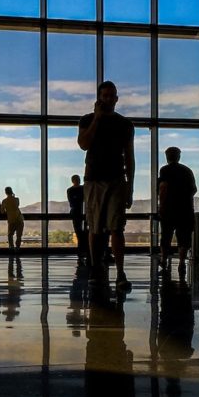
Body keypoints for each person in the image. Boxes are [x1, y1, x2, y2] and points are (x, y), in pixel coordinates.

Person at [78, 81, 135, 289]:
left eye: (112, 96)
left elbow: (129, 156)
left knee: (116, 227)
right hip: (94, 179)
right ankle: (96, 267)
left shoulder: (125, 125)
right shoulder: (87, 120)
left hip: (115, 179)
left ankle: (119, 271)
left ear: (116, 98)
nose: (109, 99)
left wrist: (130, 185)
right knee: (95, 227)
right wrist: (97, 119)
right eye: (106, 96)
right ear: (99, 98)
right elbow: (84, 144)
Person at [157, 146, 197, 272]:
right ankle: (181, 262)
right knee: (184, 237)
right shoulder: (187, 171)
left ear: (167, 157)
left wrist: (161, 205)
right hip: (185, 209)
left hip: (169, 209)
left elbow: (163, 188)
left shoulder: (165, 170)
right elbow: (194, 189)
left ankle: (163, 260)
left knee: (166, 236)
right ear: (179, 156)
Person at [67, 175, 87, 262]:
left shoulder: (70, 190)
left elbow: (72, 202)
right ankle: (83, 251)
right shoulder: (83, 189)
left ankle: (81, 251)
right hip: (82, 212)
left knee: (79, 232)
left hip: (76, 213)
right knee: (81, 233)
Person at [1, 186, 24, 251]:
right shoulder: (17, 199)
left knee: (10, 235)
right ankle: (17, 248)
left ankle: (11, 247)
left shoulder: (4, 201)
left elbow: (2, 211)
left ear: (5, 192)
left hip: (11, 220)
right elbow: (17, 205)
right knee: (19, 236)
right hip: (19, 219)